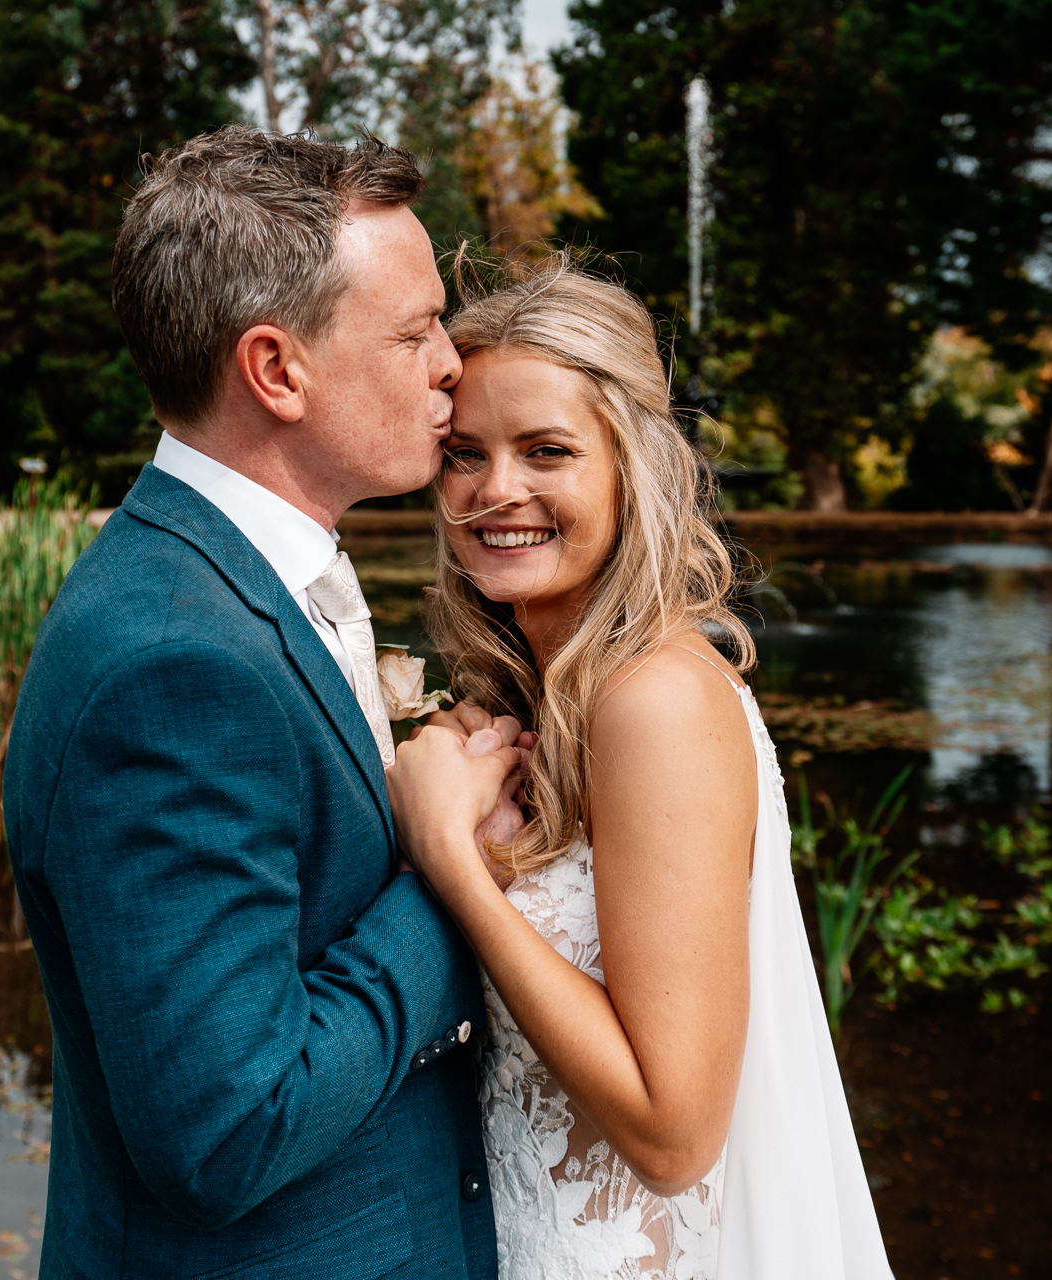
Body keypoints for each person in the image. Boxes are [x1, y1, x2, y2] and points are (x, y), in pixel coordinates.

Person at [3, 127, 528, 1277]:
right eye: (414, 331)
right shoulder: (169, 666)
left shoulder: (224, 585)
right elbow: (232, 1130)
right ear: (278, 370)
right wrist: (452, 871)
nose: (452, 362)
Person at [387, 259, 893, 1280]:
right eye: (465, 455)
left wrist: (448, 856)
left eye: (548, 450)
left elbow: (674, 1132)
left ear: (631, 466)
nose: (497, 491)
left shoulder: (652, 699)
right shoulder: (555, 693)